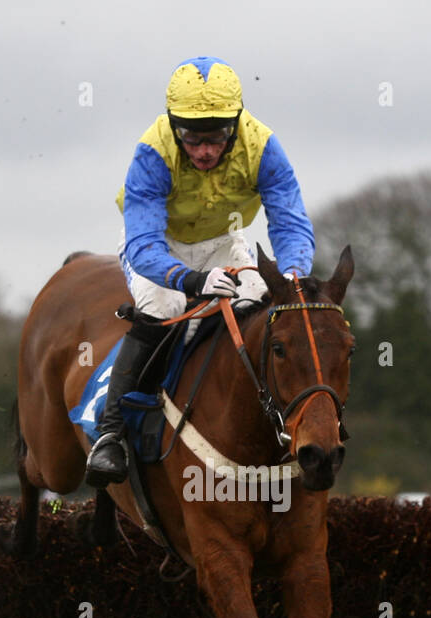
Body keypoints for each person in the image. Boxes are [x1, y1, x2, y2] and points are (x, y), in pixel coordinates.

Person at [84, 55, 316, 487]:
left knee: (264, 308)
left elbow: (290, 221)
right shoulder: (152, 152)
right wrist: (191, 281)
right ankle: (111, 433)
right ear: (175, 127)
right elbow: (142, 244)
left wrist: (293, 276)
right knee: (164, 305)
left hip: (224, 242)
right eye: (193, 138)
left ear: (236, 123)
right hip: (160, 244)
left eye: (217, 137)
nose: (206, 150)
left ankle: (276, 422)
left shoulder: (263, 147)